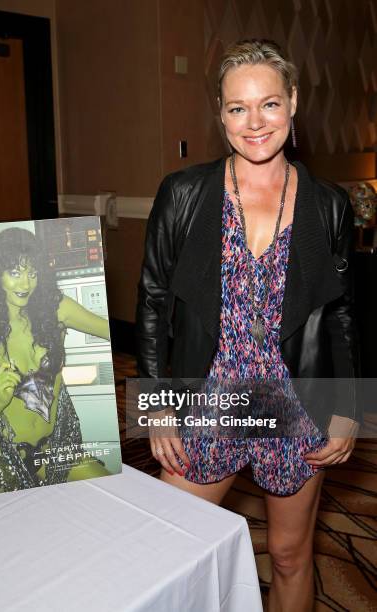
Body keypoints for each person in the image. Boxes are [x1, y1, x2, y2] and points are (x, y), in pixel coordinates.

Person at [136, 40, 360, 612]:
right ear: (220, 113)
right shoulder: (184, 193)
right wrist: (157, 407)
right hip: (211, 401)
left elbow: (341, 315)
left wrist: (349, 408)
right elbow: (154, 300)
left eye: (269, 105)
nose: (254, 122)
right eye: (238, 108)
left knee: (290, 556)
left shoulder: (329, 205)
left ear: (293, 104)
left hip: (296, 403)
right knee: (167, 554)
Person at [0, 226, 110, 496]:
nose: (25, 283)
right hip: (0, 459)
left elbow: (107, 329)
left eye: (32, 272)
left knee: (109, 492)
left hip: (52, 450)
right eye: (15, 273)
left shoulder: (55, 310)